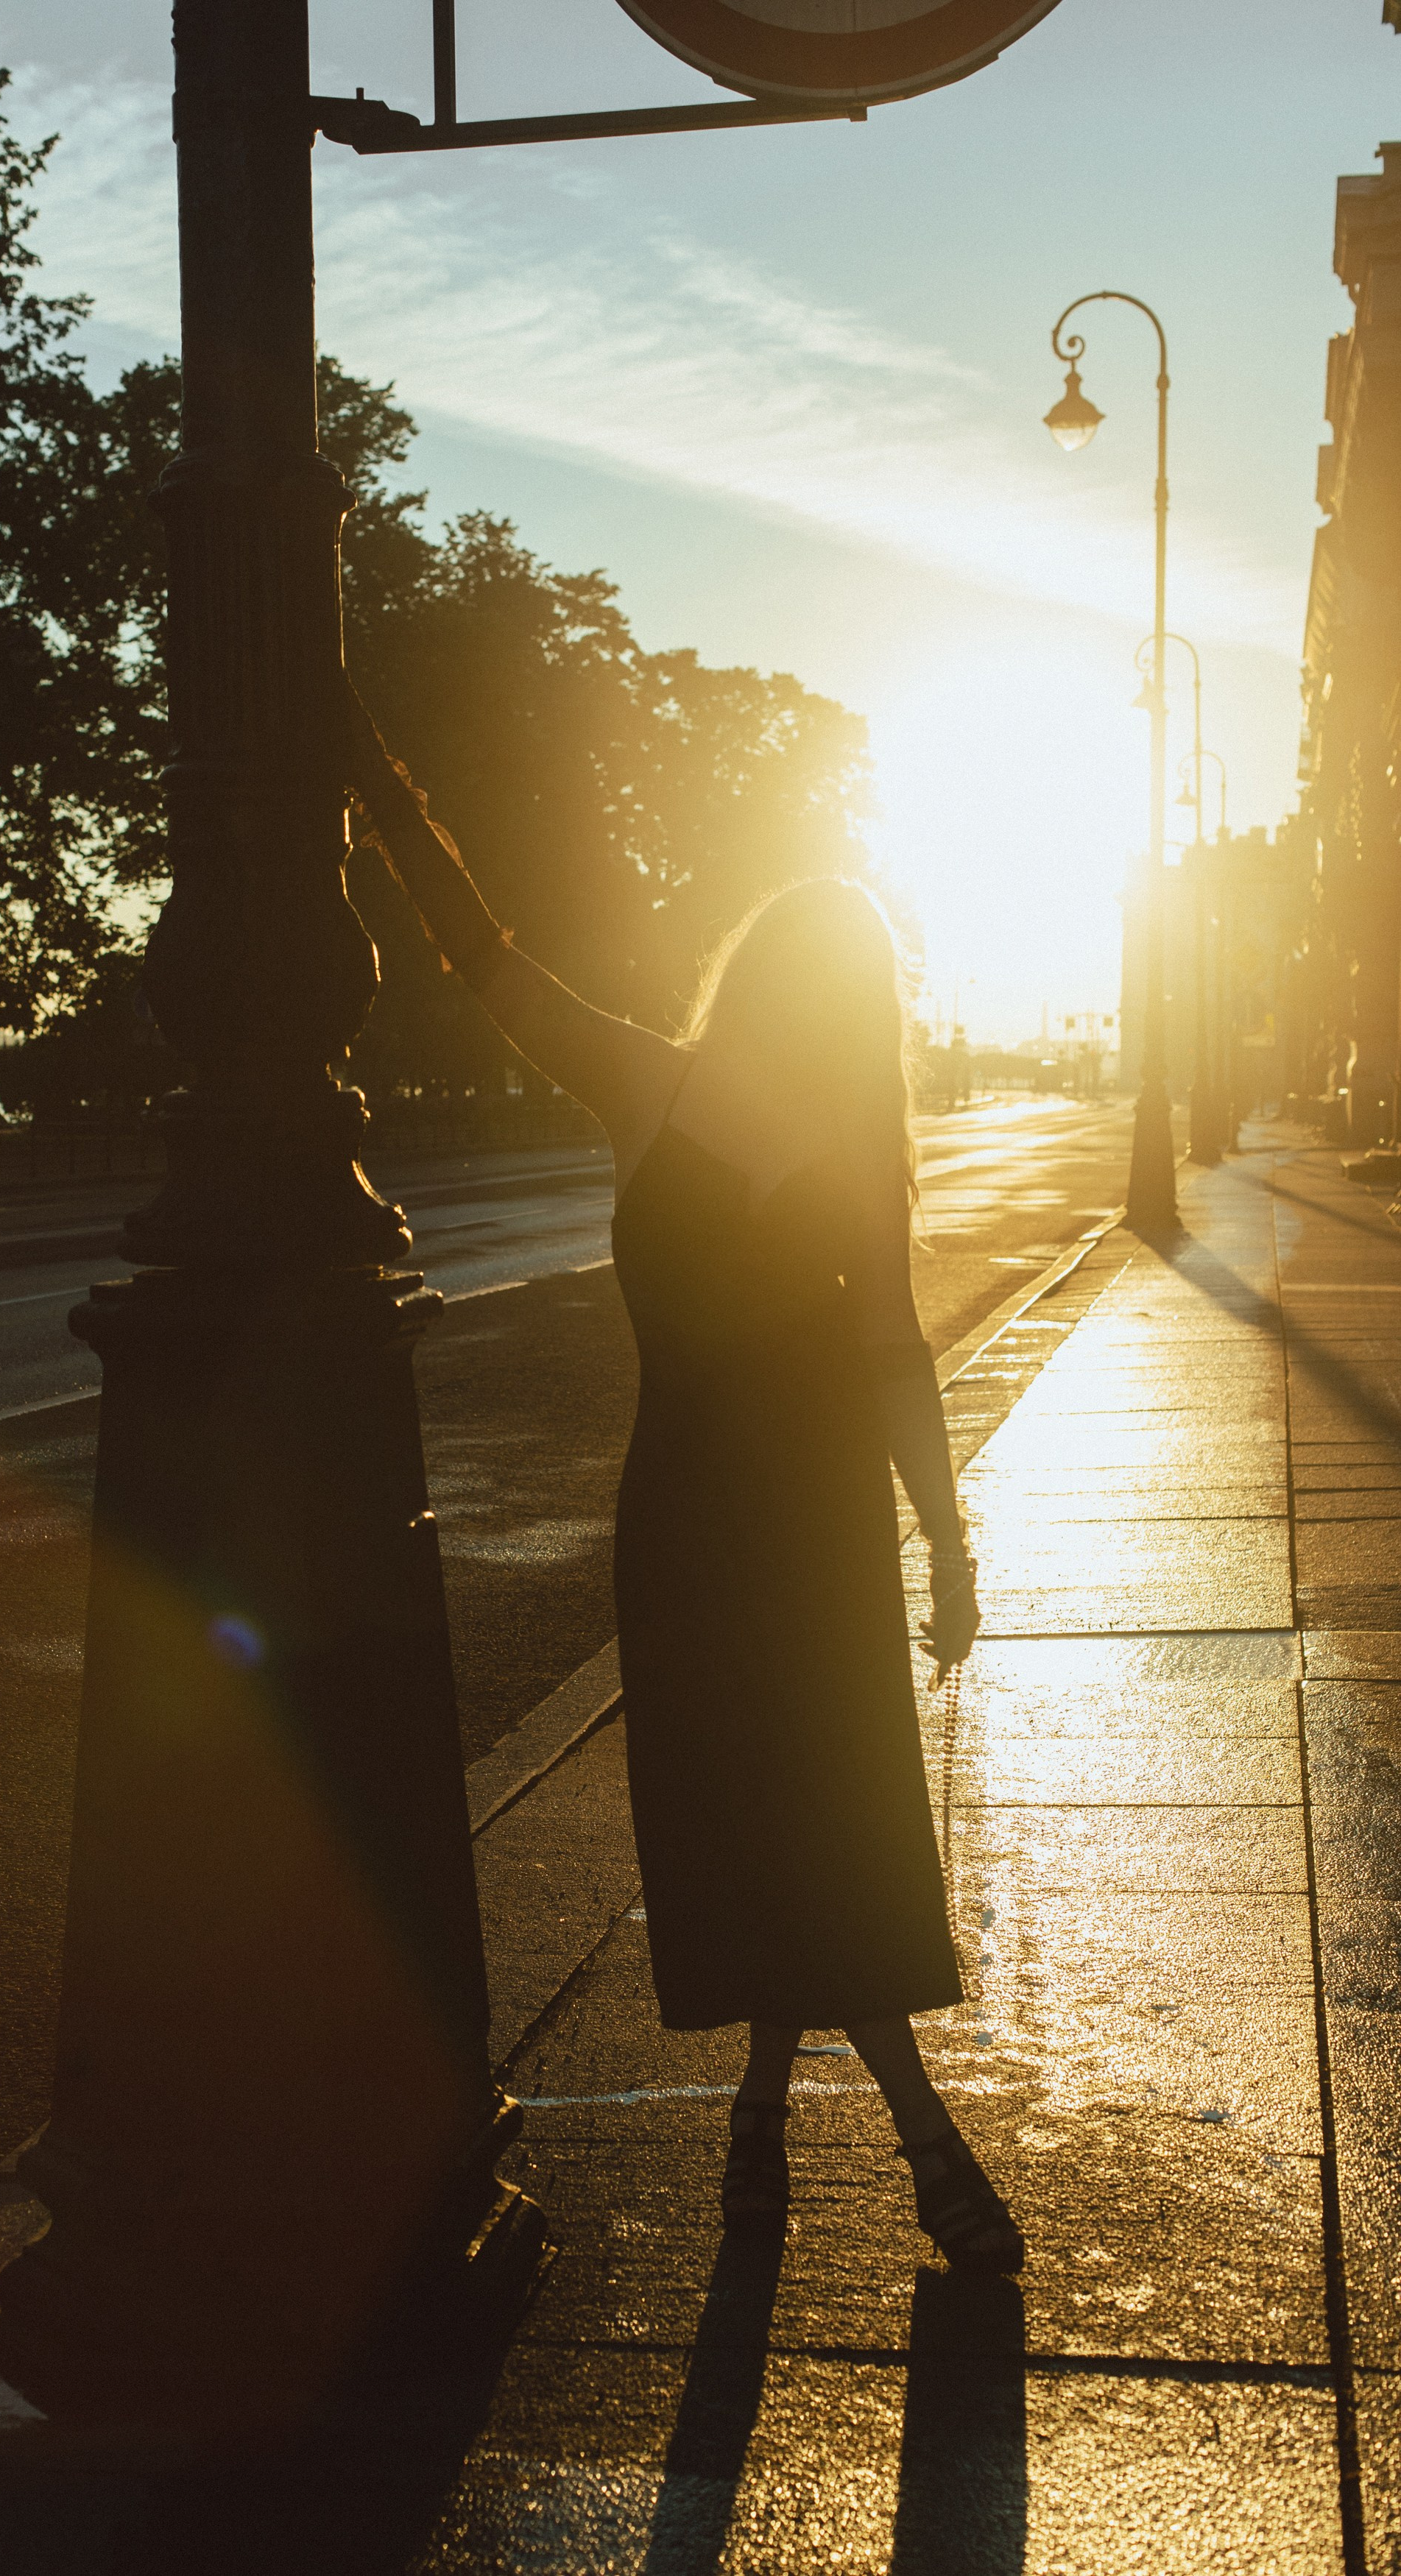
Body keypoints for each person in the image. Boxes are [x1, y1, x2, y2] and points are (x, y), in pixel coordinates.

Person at [345, 696, 1022, 2272]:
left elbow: (893, 1346)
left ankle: (788, 2123)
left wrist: (947, 1541)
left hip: (787, 1525)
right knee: (771, 1820)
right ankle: (908, 2136)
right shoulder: (667, 1089)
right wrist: (376, 782)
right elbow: (485, 955)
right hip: (729, 1526)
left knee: (823, 1821)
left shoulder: (807, 1130)